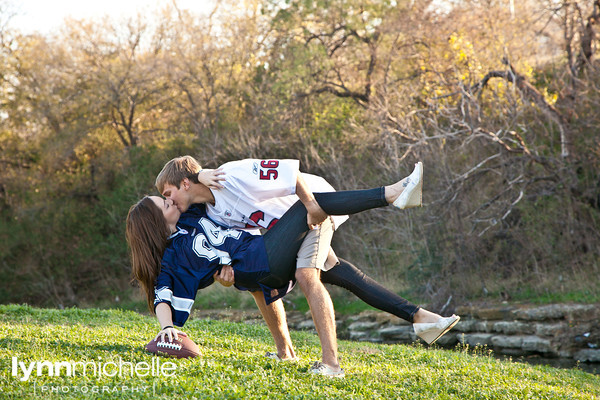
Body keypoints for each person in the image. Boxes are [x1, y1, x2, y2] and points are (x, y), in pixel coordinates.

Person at [126, 176, 458, 378]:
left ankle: (420, 318)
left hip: (261, 257)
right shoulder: (172, 259)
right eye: (164, 203)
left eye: (167, 195)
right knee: (308, 206)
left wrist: (201, 172)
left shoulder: (191, 213)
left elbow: (191, 185)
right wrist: (167, 329)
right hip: (264, 260)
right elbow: (163, 295)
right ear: (155, 224)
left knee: (341, 273)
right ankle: (393, 194)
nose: (171, 200)